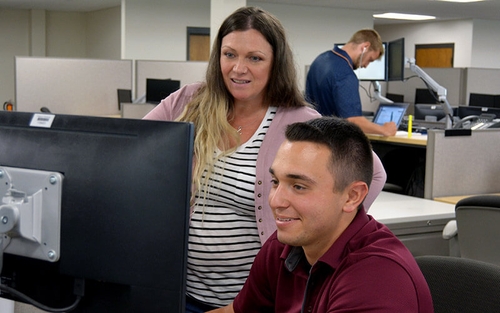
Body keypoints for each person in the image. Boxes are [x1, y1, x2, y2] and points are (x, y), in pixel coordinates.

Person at [143, 7, 387, 312]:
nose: (238, 69)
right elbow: (135, 147)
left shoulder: (298, 121)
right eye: (229, 55)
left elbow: (373, 174)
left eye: (254, 58)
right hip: (179, 290)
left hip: (251, 301)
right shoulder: (190, 102)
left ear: (275, 63)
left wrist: (327, 228)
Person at [209, 117, 433, 313]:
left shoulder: (379, 279)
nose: (276, 201)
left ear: (352, 196)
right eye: (276, 182)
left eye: (298, 186)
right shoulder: (283, 247)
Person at [305, 29, 398, 136]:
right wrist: (384, 129)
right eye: (370, 59)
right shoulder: (345, 74)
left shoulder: (320, 60)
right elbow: (353, 121)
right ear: (365, 47)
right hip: (332, 140)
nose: (366, 66)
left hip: (313, 135)